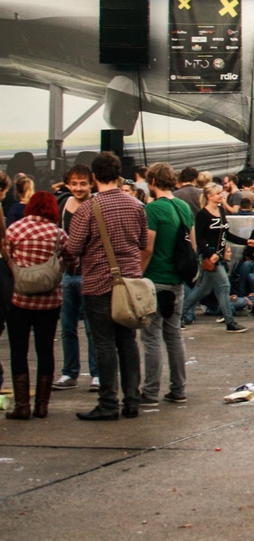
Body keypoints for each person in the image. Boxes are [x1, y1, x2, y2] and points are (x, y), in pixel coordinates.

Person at [63, 152, 149, 421]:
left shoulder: (88, 208)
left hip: (98, 283)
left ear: (93, 177)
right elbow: (143, 242)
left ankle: (108, 403)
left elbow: (74, 247)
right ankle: (132, 401)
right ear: (118, 173)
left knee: (104, 344)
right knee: (128, 342)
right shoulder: (136, 205)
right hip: (131, 283)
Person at [3, 192, 67, 419]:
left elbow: (6, 256)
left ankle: (22, 406)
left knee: (19, 350)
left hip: (19, 299)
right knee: (45, 350)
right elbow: (71, 259)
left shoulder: (16, 230)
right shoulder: (58, 233)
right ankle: (42, 405)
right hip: (50, 301)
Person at [138, 163, 192, 406]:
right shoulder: (184, 208)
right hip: (177, 280)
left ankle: (150, 391)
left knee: (151, 338)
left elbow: (147, 248)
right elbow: (192, 246)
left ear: (152, 182)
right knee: (174, 335)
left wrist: (137, 273)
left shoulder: (153, 209)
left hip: (155, 280)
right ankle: (178, 388)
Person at [53, 164, 97, 391]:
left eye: (83, 183)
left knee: (93, 328)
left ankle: (96, 374)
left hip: (91, 275)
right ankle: (69, 373)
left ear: (91, 183)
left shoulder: (97, 205)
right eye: (74, 184)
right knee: (67, 326)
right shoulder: (62, 205)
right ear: (67, 184)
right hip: (67, 276)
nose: (78, 188)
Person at [182, 183, 249, 332]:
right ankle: (230, 322)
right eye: (218, 193)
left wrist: (245, 241)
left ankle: (180, 314)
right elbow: (199, 239)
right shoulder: (203, 215)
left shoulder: (220, 210)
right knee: (224, 286)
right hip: (211, 257)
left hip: (216, 256)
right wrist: (209, 254)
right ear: (209, 196)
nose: (222, 195)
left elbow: (226, 234)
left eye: (221, 192)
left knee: (203, 289)